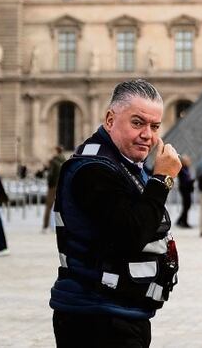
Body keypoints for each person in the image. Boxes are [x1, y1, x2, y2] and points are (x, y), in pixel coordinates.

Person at [49, 79, 182, 348]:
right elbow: (131, 234)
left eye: (155, 126)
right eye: (137, 123)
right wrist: (162, 180)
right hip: (97, 317)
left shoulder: (126, 165)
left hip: (119, 312)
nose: (148, 134)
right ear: (110, 119)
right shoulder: (93, 171)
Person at [43, 146, 67, 232]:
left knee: (48, 206)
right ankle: (59, 225)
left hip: (53, 185)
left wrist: (49, 184)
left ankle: (45, 226)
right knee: (59, 207)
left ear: (56, 151)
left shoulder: (53, 161)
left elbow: (50, 175)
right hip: (61, 185)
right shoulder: (64, 160)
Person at [176, 155, 195, 228]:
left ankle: (181, 220)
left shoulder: (186, 168)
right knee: (186, 205)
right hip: (184, 188)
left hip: (186, 188)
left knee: (187, 205)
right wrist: (190, 181)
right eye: (187, 161)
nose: (189, 162)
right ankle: (183, 221)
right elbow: (184, 179)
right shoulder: (182, 168)